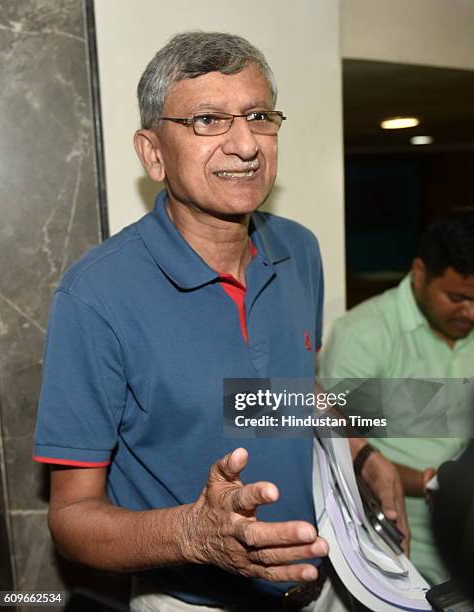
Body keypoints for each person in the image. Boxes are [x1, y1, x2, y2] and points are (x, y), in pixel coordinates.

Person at [34, 31, 407, 611]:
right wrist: (195, 535)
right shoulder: (95, 295)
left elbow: (292, 388)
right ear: (152, 152)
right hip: (191, 601)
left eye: (259, 116)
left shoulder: (300, 250)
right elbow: (71, 518)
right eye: (208, 120)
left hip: (330, 584)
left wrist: (362, 451)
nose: (245, 144)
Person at [318, 208, 474, 585]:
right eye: (457, 297)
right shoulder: (364, 335)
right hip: (400, 550)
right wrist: (428, 482)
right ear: (420, 274)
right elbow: (335, 454)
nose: (470, 312)